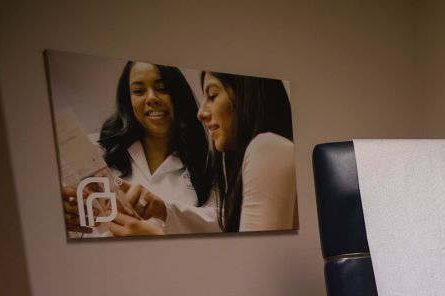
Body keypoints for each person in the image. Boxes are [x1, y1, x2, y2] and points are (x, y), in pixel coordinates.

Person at [63, 61, 218, 237]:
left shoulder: (208, 163)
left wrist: (164, 209)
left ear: (178, 95)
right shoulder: (97, 151)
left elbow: (221, 224)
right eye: (139, 91)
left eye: (162, 88)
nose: (151, 98)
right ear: (128, 100)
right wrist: (63, 214)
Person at [196, 71, 297, 232]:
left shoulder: (266, 148)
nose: (201, 113)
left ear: (247, 95)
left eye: (213, 95)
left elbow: (258, 254)